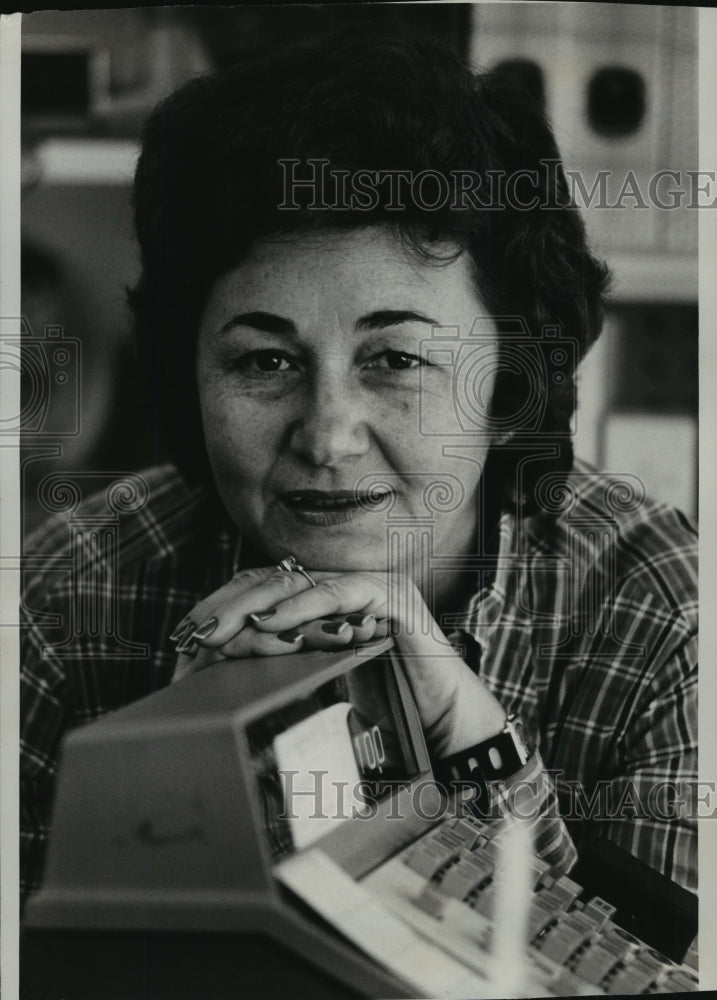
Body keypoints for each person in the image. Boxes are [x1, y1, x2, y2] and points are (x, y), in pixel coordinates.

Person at [20, 34, 697, 912]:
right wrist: (158, 789)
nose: (328, 438)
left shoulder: (661, 613)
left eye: (396, 360)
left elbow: (667, 965)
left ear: (513, 378)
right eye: (263, 362)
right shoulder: (74, 587)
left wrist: (477, 752)